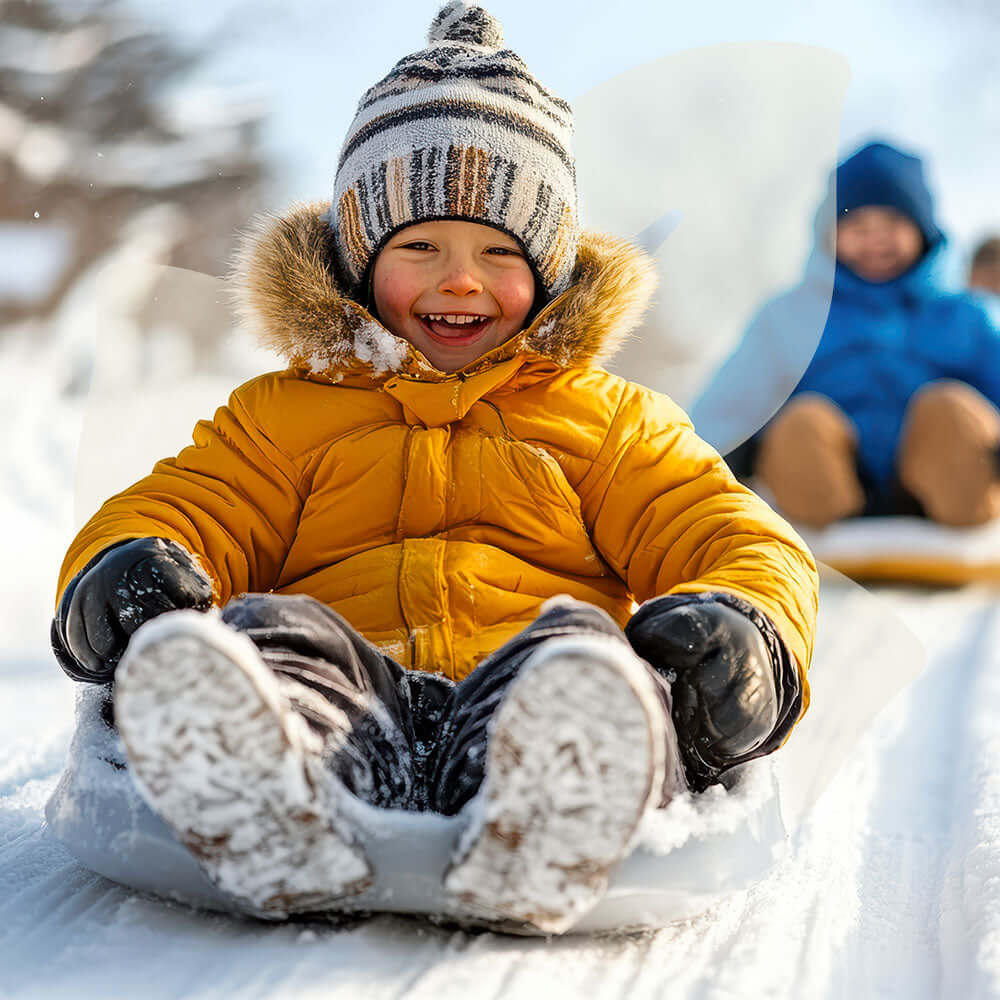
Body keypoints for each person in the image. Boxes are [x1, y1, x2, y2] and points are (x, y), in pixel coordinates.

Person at [49, 1, 817, 933]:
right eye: (421, 246)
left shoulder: (609, 422)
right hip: (349, 690)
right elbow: (190, 506)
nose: (462, 279)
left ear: (551, 272)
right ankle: (267, 784)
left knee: (583, 658)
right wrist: (125, 570)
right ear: (359, 257)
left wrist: (747, 630)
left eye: (500, 252)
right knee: (271, 640)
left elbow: (725, 529)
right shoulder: (287, 414)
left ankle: (553, 803)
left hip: (528, 689)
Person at [691, 140, 1000, 530]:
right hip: (828, 495)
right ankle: (819, 517)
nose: (875, 240)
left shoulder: (967, 315)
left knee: (951, 410)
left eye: (891, 226)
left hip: (947, 491)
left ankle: (963, 506)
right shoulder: (791, 317)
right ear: (830, 234)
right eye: (856, 226)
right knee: (802, 425)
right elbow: (728, 405)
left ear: (922, 230)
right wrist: (730, 455)